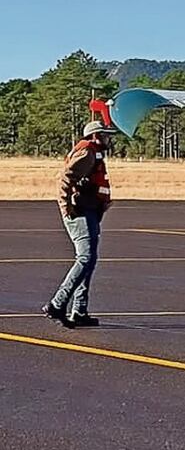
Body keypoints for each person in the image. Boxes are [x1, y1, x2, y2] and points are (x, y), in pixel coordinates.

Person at [42, 121, 118, 329]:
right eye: (105, 135)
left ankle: (79, 311)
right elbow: (66, 178)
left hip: (89, 211)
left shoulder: (94, 153)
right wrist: (66, 207)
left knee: (89, 260)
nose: (108, 139)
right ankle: (58, 303)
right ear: (95, 136)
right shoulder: (87, 154)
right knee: (85, 258)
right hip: (80, 213)